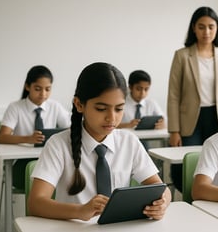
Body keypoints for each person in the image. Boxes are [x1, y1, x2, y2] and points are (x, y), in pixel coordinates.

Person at [28, 62, 171, 220]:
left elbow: (161, 188)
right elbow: (36, 203)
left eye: (119, 109)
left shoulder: (129, 141)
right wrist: (80, 211)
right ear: (79, 104)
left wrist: (162, 203)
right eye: (101, 109)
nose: (112, 118)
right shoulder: (58, 145)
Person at [167, 6, 218, 193]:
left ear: (217, 29)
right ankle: (189, 199)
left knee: (217, 162)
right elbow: (173, 95)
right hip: (190, 120)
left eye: (211, 27)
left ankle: (211, 198)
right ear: (193, 28)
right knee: (188, 162)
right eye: (201, 26)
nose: (206, 31)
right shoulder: (182, 55)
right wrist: (174, 130)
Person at [0, 65, 70, 190]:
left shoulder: (55, 106)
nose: (43, 94)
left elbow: (71, 129)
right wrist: (28, 139)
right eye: (37, 89)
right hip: (22, 164)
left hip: (49, 160)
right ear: (27, 86)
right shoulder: (15, 107)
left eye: (48, 89)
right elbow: (2, 137)